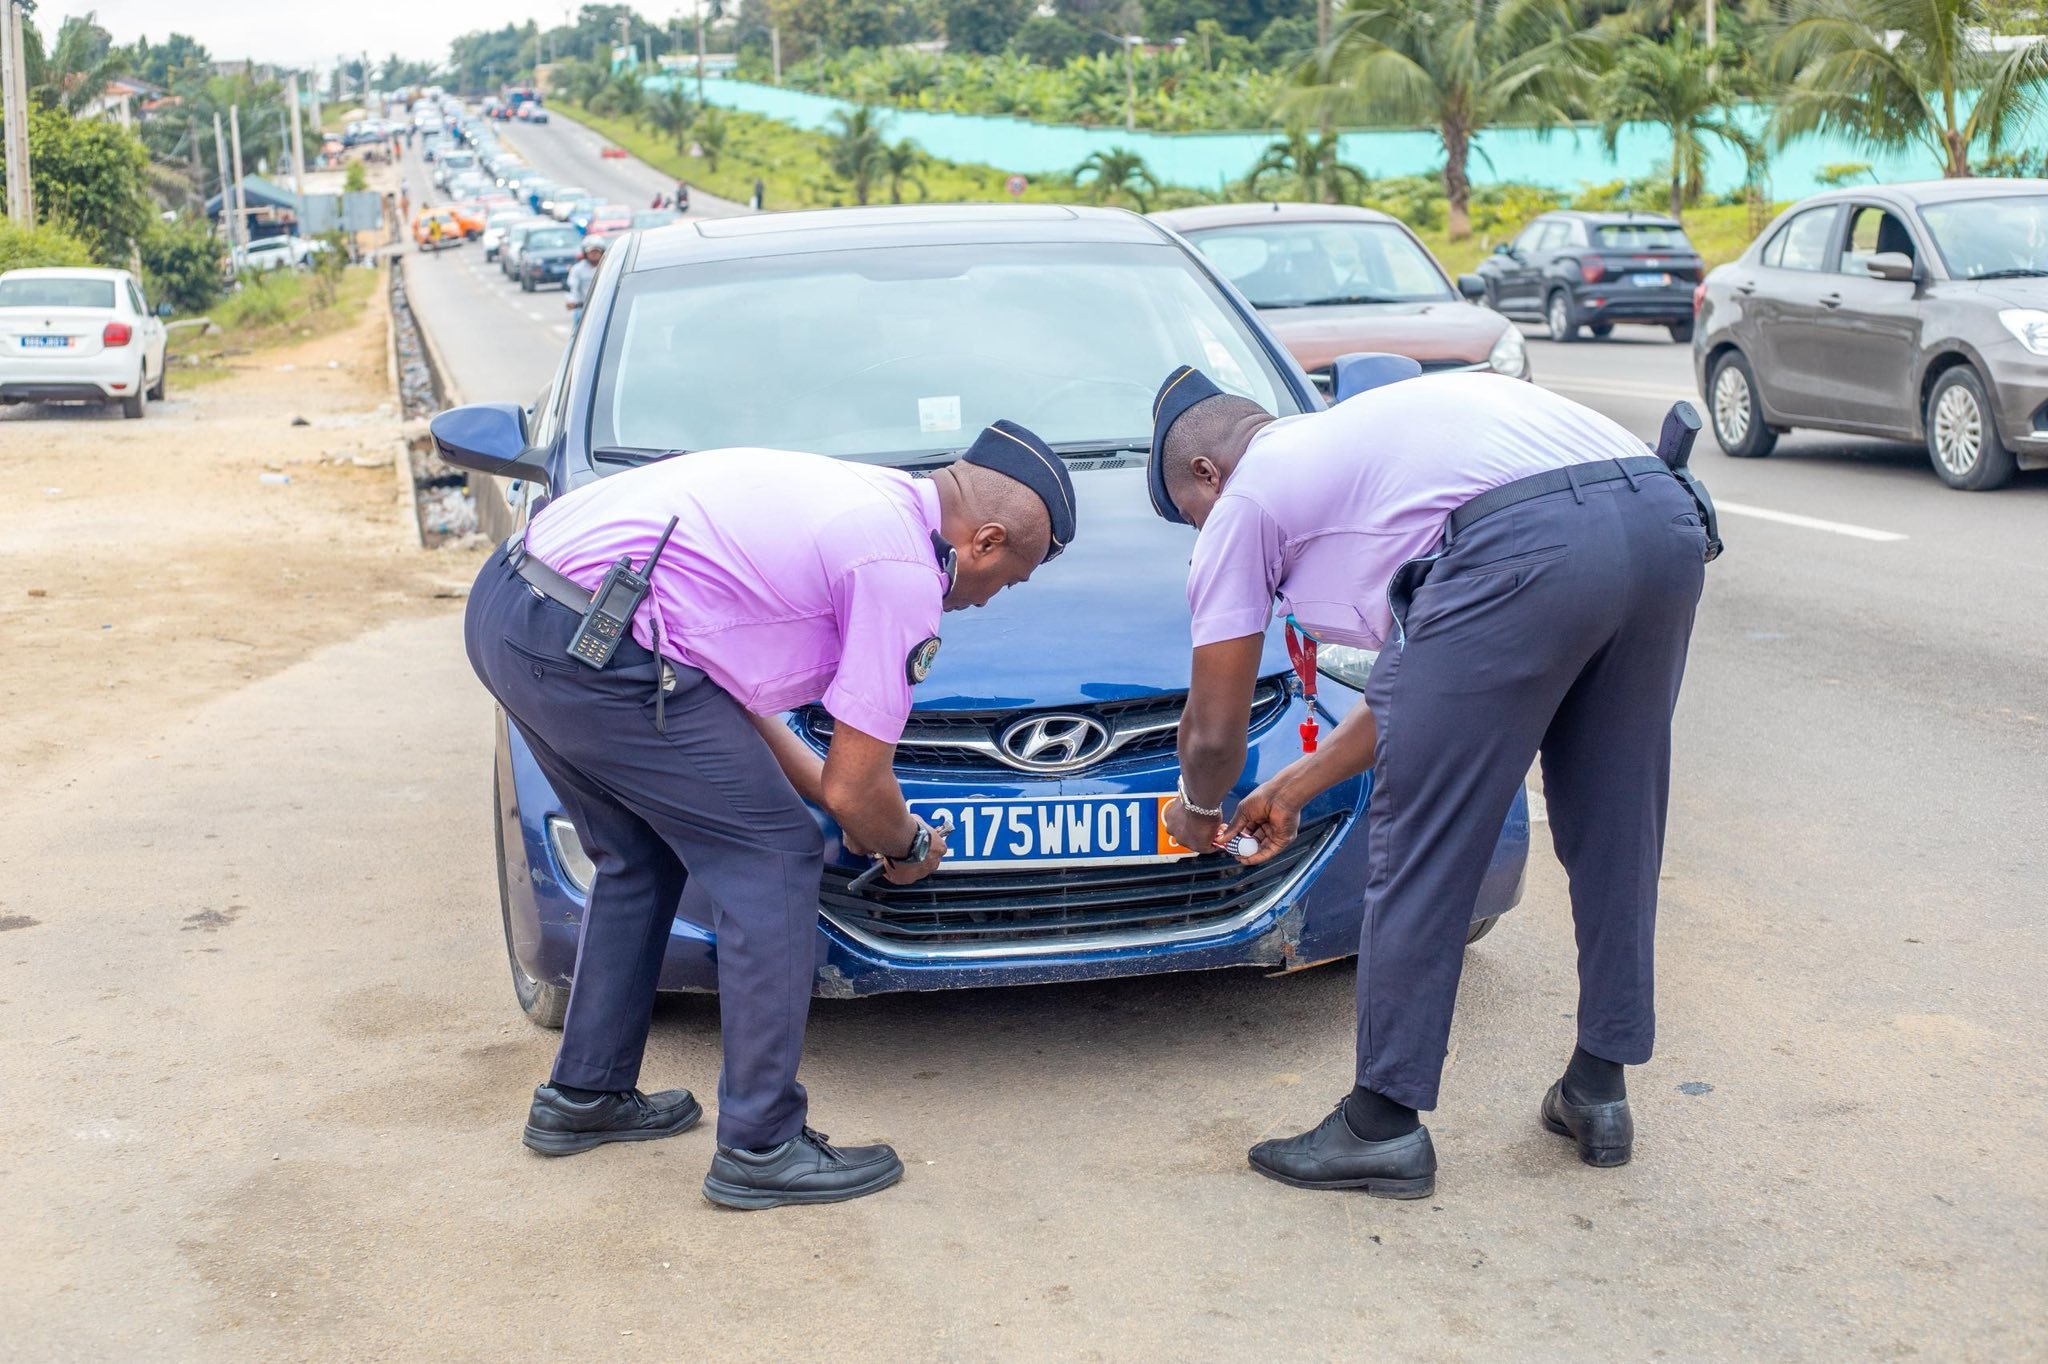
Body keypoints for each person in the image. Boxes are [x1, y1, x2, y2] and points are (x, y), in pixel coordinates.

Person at [462, 421, 1078, 1209]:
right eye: (1012, 579)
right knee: (775, 857)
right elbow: (861, 792)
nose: (993, 599)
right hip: (595, 643)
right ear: (986, 541)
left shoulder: (865, 500)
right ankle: (760, 1144)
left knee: (639, 855)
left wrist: (837, 797)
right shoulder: (899, 570)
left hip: (519, 611)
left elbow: (736, 710)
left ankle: (585, 1097)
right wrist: (907, 843)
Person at [1147, 363, 1711, 1199]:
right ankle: (1600, 1085)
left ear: (1206, 473)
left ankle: (1381, 1126)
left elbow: (1215, 727)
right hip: (1661, 515)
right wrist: (1297, 785)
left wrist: (1196, 810)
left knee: (1425, 837)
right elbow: (1424, 682)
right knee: (1618, 815)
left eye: (1190, 516)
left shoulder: (1248, 500)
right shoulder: (1367, 448)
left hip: (1527, 543)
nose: (1202, 533)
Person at [565, 237, 605, 326]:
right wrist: (572, 301)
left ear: (602, 252)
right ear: (585, 253)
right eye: (591, 252)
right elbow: (572, 287)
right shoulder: (577, 269)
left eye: (597, 251)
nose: (594, 254)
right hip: (583, 308)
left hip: (603, 308)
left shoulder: (607, 268)